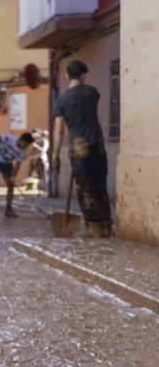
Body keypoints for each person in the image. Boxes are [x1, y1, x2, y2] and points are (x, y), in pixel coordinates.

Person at [51, 60, 113, 237]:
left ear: (66, 76)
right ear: (84, 75)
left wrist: (55, 155)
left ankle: (93, 227)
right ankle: (107, 224)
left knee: (85, 187)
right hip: (98, 145)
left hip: (79, 148)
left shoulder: (61, 100)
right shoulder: (92, 92)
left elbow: (59, 129)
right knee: (100, 185)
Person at [0, 132, 35, 218]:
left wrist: (13, 176)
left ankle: (8, 209)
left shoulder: (22, 152)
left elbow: (17, 165)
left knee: (10, 185)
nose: (25, 147)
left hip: (7, 164)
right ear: (21, 140)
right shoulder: (7, 138)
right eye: (25, 144)